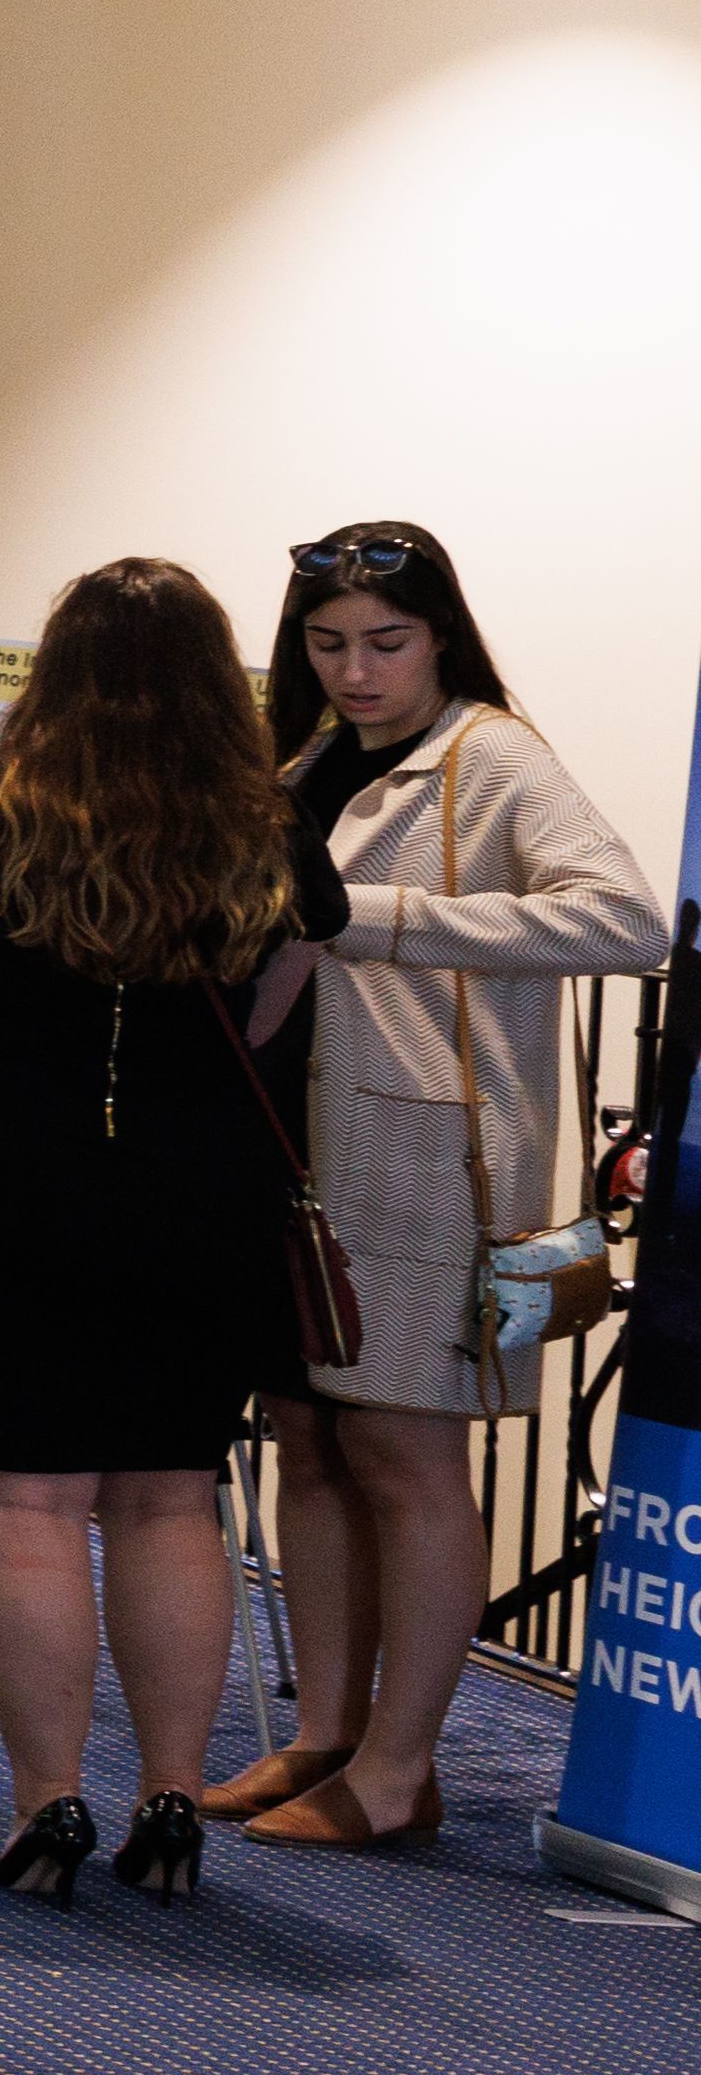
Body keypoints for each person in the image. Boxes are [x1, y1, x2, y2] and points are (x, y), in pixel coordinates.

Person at [0, 559, 342, 1905]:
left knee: (25, 1503)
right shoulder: (264, 829)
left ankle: (44, 1808)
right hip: (193, 1183)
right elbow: (270, 1012)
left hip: (0, 1166)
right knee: (165, 1497)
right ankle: (167, 1797)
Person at [216, 522, 665, 1849]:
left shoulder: (494, 755)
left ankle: (398, 1773)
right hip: (288, 1145)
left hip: (431, 1163)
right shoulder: (298, 759)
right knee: (306, 1435)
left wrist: (379, 919)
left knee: (403, 1453)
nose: (354, 672)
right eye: (324, 643)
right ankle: (321, 1737)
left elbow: (624, 920)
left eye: (384, 643)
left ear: (439, 637)